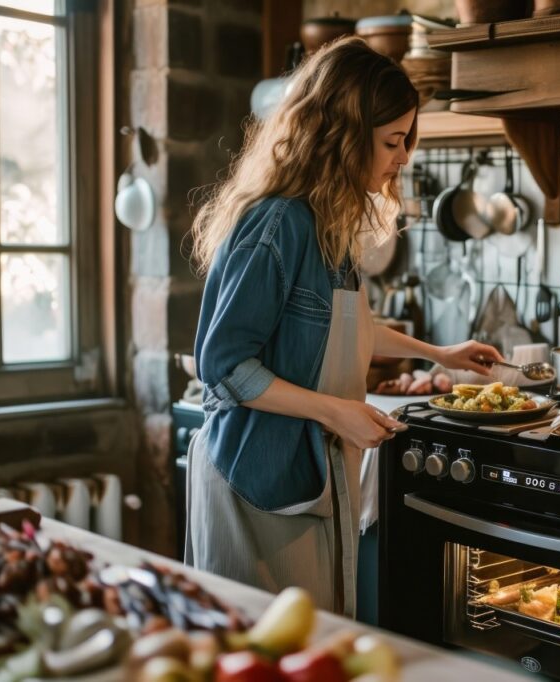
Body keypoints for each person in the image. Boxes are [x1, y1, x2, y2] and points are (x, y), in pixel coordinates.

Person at [184, 38, 503, 616]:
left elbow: (345, 327)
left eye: (407, 140)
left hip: (306, 474)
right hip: (254, 479)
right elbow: (224, 366)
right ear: (343, 134)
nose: (404, 156)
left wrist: (441, 354)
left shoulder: (328, 217)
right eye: (392, 141)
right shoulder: (280, 222)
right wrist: (337, 412)